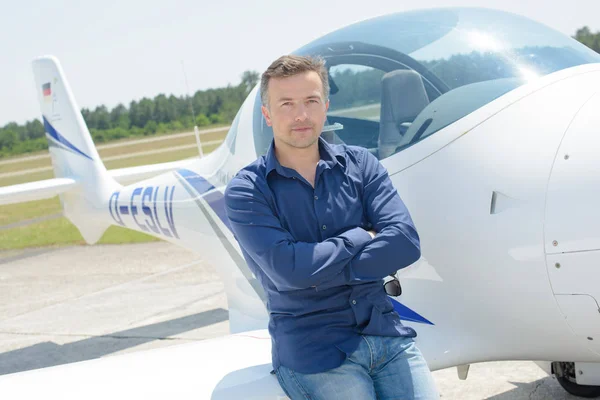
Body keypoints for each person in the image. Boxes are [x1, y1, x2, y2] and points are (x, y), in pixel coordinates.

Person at [224, 55, 439, 400]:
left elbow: (404, 243)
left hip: (385, 333)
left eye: (310, 101)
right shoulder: (247, 190)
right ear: (267, 114)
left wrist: (315, 271)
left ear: (325, 106)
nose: (301, 115)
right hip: (315, 352)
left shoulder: (362, 165)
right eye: (286, 104)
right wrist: (362, 236)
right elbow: (291, 273)